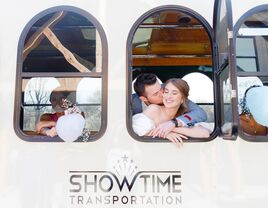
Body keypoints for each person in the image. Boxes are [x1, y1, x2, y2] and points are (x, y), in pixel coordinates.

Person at [132, 78, 210, 147]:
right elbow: (133, 129)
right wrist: (163, 133)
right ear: (144, 99)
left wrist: (173, 125)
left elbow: (200, 115)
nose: (163, 94)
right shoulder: (135, 104)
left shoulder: (173, 93)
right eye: (156, 94)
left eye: (162, 90)